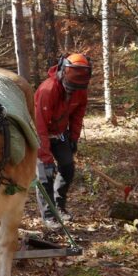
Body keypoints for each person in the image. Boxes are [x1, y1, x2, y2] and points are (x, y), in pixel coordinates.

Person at [34, 53, 92, 230]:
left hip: (60, 134)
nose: (71, 91)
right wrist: (45, 156)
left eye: (75, 88)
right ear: (62, 72)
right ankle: (49, 215)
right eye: (69, 87)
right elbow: (39, 127)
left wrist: (73, 138)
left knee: (67, 167)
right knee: (45, 174)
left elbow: (77, 115)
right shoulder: (47, 90)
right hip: (40, 134)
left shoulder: (80, 90)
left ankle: (59, 206)